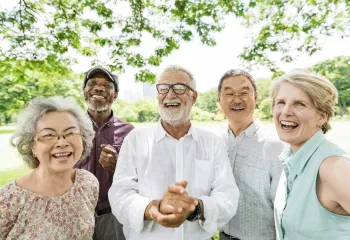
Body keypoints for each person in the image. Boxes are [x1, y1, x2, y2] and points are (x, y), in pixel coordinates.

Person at [108, 65, 239, 240]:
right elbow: (120, 195)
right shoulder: (136, 139)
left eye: (179, 88)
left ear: (193, 97)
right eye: (163, 88)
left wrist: (195, 208)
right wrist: (154, 209)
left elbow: (228, 196)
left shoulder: (212, 143)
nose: (170, 95)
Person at [0, 96, 98, 239]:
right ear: (32, 146)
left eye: (70, 133)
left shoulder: (88, 183)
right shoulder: (9, 199)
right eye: (48, 135)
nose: (62, 143)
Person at [271, 70, 350, 239]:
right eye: (281, 102)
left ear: (322, 116)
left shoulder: (333, 167)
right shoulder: (290, 160)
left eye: (300, 104)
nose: (286, 111)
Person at [216, 69, 285, 240]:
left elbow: (283, 209)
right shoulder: (214, 142)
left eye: (244, 93)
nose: (237, 99)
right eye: (229, 93)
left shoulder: (275, 145)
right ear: (219, 99)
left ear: (255, 97)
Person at [76, 66, 134, 240]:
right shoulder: (70, 127)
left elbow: (142, 176)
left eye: (107, 85)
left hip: (113, 214)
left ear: (115, 94)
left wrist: (119, 166)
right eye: (92, 83)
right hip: (76, 210)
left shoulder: (129, 131)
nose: (98, 88)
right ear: (85, 91)